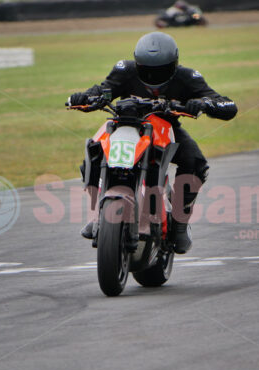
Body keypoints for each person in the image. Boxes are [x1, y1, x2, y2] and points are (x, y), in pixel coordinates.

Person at [68, 31, 237, 254]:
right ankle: (98, 213)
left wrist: (203, 104)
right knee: (94, 150)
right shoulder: (124, 70)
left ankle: (179, 223)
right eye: (146, 70)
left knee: (195, 163)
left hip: (166, 129)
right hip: (124, 124)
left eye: (161, 70)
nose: (153, 76)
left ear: (174, 65)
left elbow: (227, 105)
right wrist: (85, 97)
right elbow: (104, 90)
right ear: (137, 63)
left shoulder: (188, 77)